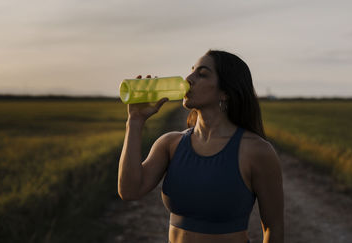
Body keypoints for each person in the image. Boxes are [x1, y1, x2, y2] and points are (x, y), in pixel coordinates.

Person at [118, 50, 284, 243]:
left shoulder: (256, 151)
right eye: (191, 71)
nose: (188, 79)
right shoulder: (170, 144)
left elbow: (274, 228)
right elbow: (129, 191)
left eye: (202, 74)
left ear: (225, 92)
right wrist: (135, 121)